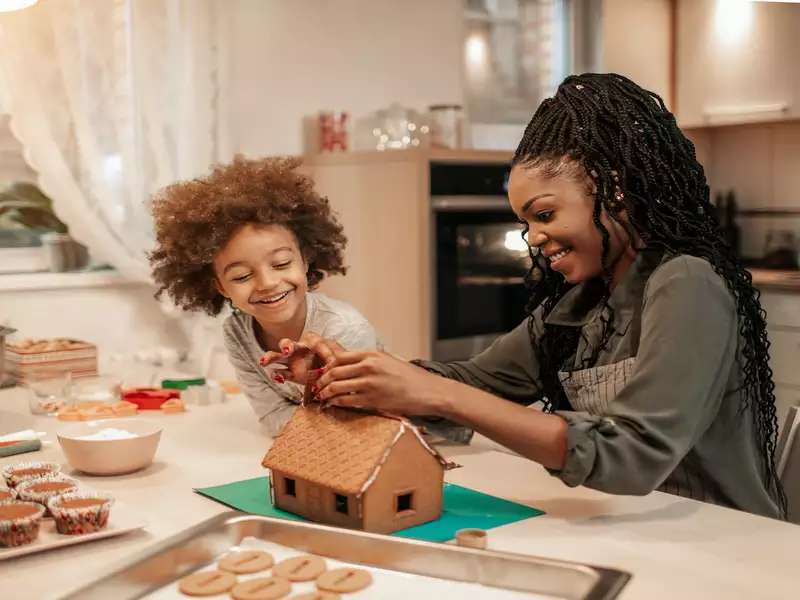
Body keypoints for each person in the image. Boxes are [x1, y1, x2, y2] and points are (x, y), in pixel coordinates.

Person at [271, 73, 786, 519]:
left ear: (614, 190)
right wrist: (357, 374)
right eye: (525, 223)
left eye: (543, 214)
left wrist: (439, 394)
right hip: (626, 522)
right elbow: (474, 382)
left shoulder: (686, 283)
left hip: (720, 537)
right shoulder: (579, 305)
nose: (533, 237)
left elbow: (632, 456)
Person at [148, 156, 381, 436]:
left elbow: (354, 424)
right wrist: (309, 423)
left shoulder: (345, 329)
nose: (268, 283)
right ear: (221, 287)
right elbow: (271, 416)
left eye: (282, 264)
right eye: (242, 277)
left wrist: (302, 423)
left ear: (305, 261)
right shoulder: (237, 332)